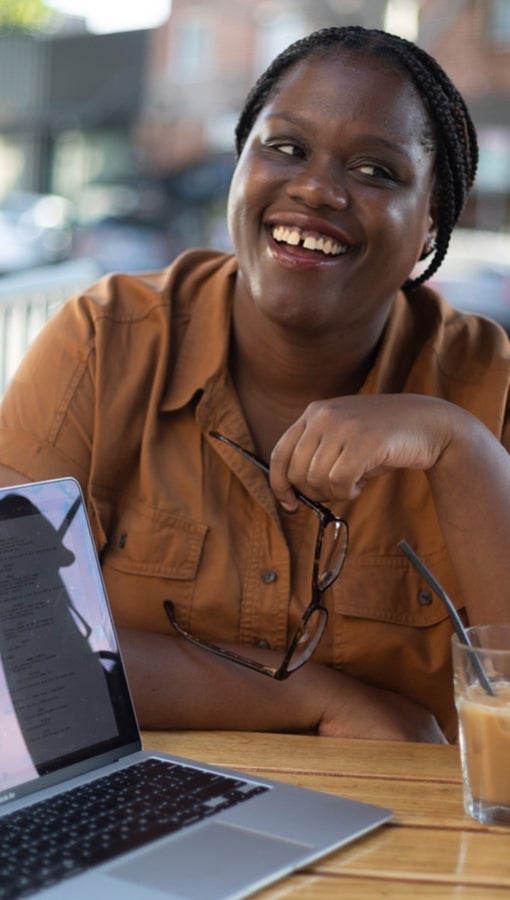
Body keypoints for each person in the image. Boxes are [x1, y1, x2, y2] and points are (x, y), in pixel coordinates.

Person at [0, 25, 509, 745]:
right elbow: (15, 646)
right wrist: (310, 699)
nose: (316, 189)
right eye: (286, 148)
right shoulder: (103, 340)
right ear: (240, 165)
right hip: (146, 817)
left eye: (375, 171)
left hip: (412, 839)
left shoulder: (490, 387)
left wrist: (456, 444)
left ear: (431, 222)